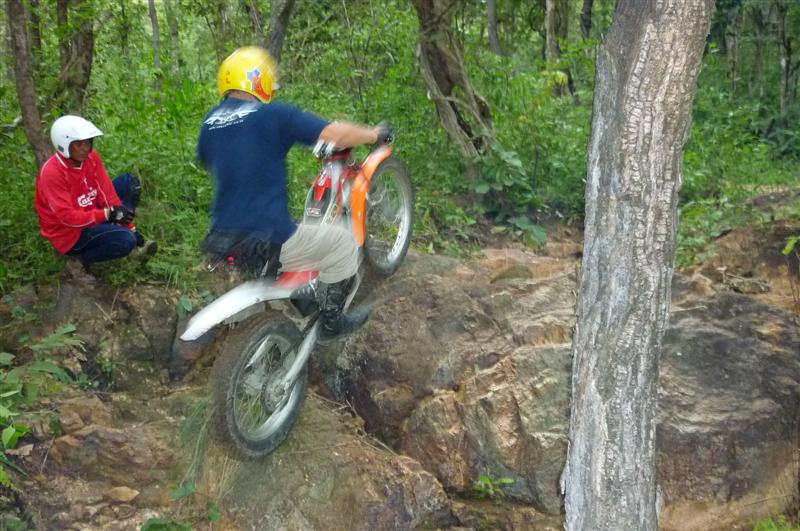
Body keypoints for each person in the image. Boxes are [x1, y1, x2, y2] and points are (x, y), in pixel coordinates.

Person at [197, 46, 391, 342]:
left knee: (303, 232)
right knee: (345, 241)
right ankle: (331, 324)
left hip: (222, 239)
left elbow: (208, 158)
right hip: (268, 238)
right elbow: (337, 134)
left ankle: (301, 298)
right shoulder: (274, 115)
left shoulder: (211, 121)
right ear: (258, 79)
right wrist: (373, 134)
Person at [34, 115, 156, 272]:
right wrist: (106, 214)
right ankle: (79, 261)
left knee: (129, 182)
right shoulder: (52, 173)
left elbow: (106, 192)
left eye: (88, 142)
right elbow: (66, 218)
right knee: (126, 240)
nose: (85, 148)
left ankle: (119, 228)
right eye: (79, 144)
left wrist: (124, 219)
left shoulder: (91, 158)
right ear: (63, 144)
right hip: (70, 234)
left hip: (89, 211)